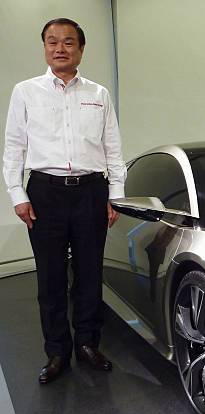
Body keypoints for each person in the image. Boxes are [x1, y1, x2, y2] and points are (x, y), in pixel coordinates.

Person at [2, 18, 127, 384]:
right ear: (44, 48)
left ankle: (88, 343)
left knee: (89, 273)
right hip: (45, 193)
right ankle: (58, 351)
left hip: (91, 191)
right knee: (51, 277)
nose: (60, 48)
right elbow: (14, 147)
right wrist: (17, 194)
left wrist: (115, 194)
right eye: (52, 42)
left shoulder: (99, 94)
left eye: (69, 42)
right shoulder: (25, 91)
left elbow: (113, 148)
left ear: (81, 49)